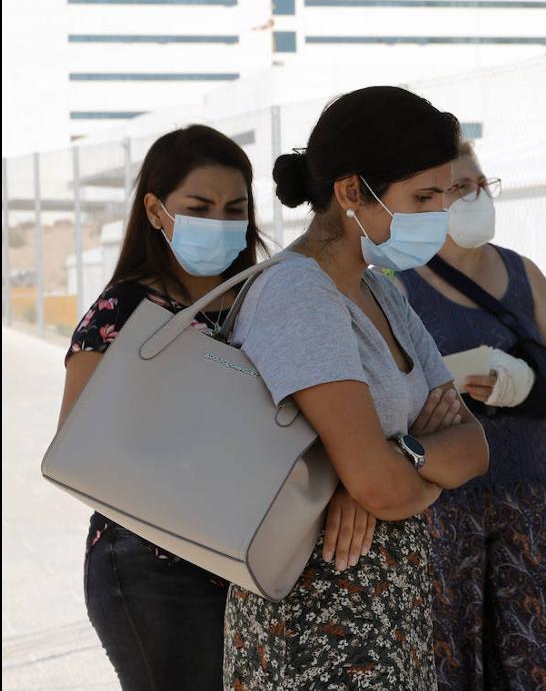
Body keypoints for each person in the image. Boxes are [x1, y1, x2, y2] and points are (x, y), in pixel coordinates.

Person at [223, 86, 489, 690]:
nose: (437, 215)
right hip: (319, 625)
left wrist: (399, 459)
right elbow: (381, 487)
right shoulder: (299, 294)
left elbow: (475, 445)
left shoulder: (382, 290)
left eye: (441, 196)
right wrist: (391, 473)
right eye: (422, 197)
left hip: (387, 611)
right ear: (350, 192)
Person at [57, 125, 269, 691]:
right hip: (152, 568)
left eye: (235, 209)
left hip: (254, 560)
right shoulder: (125, 308)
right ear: (155, 210)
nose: (221, 224)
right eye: (199, 207)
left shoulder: (265, 297)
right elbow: (78, 447)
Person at [394, 141, 546, 691]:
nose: (472, 197)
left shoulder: (523, 273)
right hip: (444, 501)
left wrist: (527, 386)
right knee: (449, 656)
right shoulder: (394, 283)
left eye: (479, 185)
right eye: (456, 188)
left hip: (531, 495)